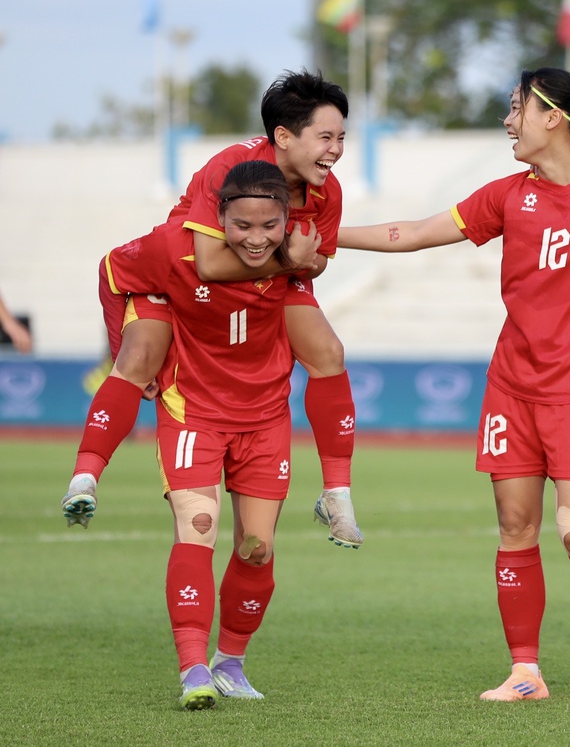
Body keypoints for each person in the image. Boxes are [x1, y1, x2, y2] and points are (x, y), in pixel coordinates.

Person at [336, 67, 570, 702]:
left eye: (515, 108)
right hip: (511, 384)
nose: (507, 121)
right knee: (514, 527)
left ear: (552, 117)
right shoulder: (507, 195)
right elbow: (413, 233)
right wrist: (325, 238)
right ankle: (525, 672)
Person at [61, 70, 363, 548]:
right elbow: (208, 263)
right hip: (185, 277)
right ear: (284, 137)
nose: (337, 150)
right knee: (138, 359)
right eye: (326, 137)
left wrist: (297, 260)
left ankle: (337, 493)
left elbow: (318, 259)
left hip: (265, 277)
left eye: (341, 138)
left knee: (329, 352)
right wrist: (290, 258)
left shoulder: (328, 190)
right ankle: (85, 476)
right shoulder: (231, 168)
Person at [95, 160, 298, 709]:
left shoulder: (298, 259)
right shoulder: (180, 254)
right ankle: (192, 668)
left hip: (264, 419)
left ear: (286, 220)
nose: (256, 238)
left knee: (257, 549)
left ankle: (230, 663)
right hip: (193, 413)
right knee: (198, 527)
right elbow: (113, 271)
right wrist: (125, 351)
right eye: (242, 225)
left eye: (269, 226)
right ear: (220, 219)